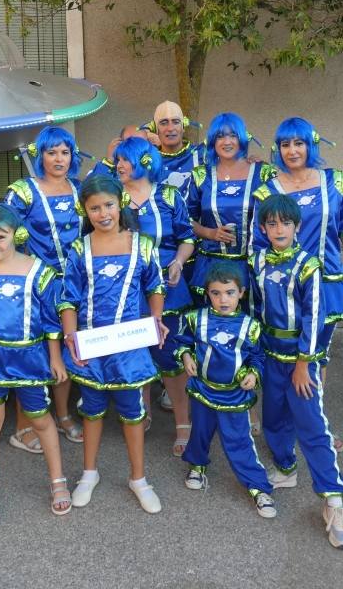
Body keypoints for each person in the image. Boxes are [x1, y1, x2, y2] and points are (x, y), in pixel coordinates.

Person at [253, 117, 343, 450]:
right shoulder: (266, 188)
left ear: (311, 144)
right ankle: (283, 427)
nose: (292, 150)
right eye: (285, 144)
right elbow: (258, 244)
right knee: (280, 359)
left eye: (299, 143)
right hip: (281, 288)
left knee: (316, 357)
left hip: (327, 285)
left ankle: (315, 425)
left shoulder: (336, 182)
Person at [0, 204, 71, 527]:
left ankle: (57, 479)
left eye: (0, 238)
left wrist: (55, 356)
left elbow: (51, 320)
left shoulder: (39, 270)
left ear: (17, 235)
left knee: (40, 419)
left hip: (30, 359)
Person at [248, 194, 343, 548]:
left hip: (300, 360)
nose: (279, 229)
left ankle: (333, 499)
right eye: (272, 224)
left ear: (298, 227)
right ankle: (285, 468)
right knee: (274, 416)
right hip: (269, 353)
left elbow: (314, 316)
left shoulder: (309, 265)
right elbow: (255, 308)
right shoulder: (257, 260)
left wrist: (304, 364)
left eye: (286, 223)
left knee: (311, 425)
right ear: (263, 228)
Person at [59, 174, 167, 514]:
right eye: (94, 208)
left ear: (120, 203)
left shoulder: (143, 244)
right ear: (85, 211)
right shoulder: (80, 248)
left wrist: (156, 320)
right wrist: (71, 337)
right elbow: (68, 298)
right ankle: (89, 473)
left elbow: (155, 285)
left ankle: (138, 478)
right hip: (92, 342)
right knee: (91, 409)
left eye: (108, 205)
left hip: (129, 344)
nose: (103, 213)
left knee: (133, 412)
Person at [5, 126, 86, 449]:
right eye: (52, 152)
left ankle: (63, 414)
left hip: (74, 287)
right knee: (35, 354)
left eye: (65, 152)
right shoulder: (23, 191)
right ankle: (25, 424)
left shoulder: (81, 189)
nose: (59, 159)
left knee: (66, 351)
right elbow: (2, 233)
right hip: (36, 288)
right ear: (40, 156)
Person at [115, 136, 196, 455]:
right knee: (136, 351)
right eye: (119, 160)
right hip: (126, 286)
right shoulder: (113, 198)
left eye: (126, 160)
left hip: (168, 283)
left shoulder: (170, 196)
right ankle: (142, 413)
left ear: (145, 162)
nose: (119, 165)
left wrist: (178, 261)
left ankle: (183, 422)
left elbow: (187, 239)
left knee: (171, 355)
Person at [176, 261, 275, 519]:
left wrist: (254, 373)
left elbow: (257, 357)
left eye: (230, 293)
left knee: (239, 440)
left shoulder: (250, 326)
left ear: (241, 292)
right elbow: (183, 343)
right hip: (202, 390)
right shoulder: (195, 319)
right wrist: (186, 356)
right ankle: (197, 465)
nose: (223, 299)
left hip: (234, 395)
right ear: (207, 293)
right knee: (200, 432)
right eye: (216, 293)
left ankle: (258, 486)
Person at [187, 112, 275, 296]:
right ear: (212, 141)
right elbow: (186, 219)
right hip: (211, 266)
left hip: (252, 266)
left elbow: (277, 217)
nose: (227, 142)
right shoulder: (201, 175)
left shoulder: (262, 173)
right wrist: (210, 233)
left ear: (241, 138)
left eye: (232, 135)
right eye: (220, 136)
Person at [146, 100, 206, 200]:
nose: (170, 128)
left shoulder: (201, 155)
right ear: (156, 129)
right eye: (163, 123)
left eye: (176, 122)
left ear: (183, 127)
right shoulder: (148, 161)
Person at [86, 125, 159, 179]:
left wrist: (164, 147)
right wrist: (109, 161)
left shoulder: (155, 164)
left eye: (140, 144)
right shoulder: (108, 170)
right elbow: (93, 191)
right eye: (129, 144)